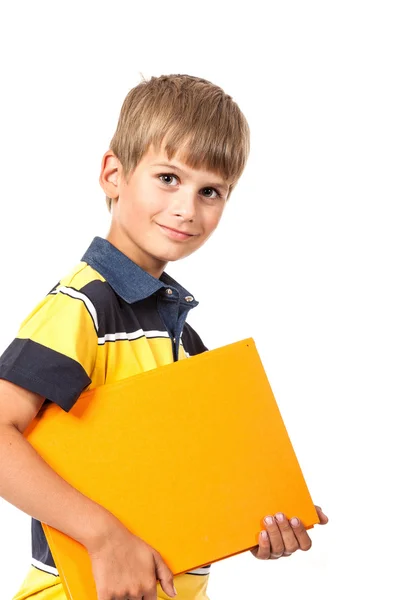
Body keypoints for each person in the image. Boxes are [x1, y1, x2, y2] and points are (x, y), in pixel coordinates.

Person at [0, 73, 328, 600]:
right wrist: (104, 538)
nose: (187, 208)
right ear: (114, 174)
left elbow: (171, 487)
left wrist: (255, 519)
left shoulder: (184, 338)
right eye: (169, 178)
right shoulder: (85, 306)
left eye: (210, 191)